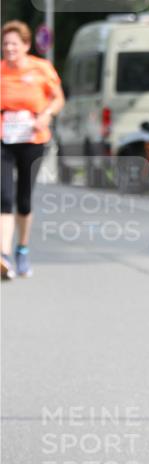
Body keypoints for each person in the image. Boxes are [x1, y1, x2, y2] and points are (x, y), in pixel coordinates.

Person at [1, 20, 65, 279]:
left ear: (26, 45)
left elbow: (58, 98)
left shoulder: (41, 69)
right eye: (5, 44)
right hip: (4, 139)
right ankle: (3, 254)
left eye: (14, 44)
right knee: (3, 197)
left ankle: (22, 249)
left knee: (24, 200)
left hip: (33, 139)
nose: (9, 48)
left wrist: (46, 114)